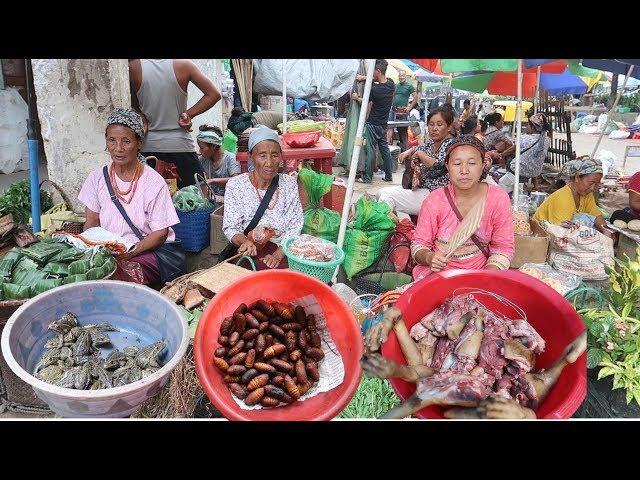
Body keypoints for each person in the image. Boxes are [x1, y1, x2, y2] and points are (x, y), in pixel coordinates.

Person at [78, 109, 182, 286]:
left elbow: (160, 233)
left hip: (146, 251)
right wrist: (94, 250)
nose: (118, 148)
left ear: (139, 143)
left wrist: (130, 252)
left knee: (120, 276)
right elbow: (92, 222)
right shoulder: (97, 178)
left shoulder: (153, 182)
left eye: (126, 141)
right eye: (112, 140)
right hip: (109, 251)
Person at [410, 135, 515, 281]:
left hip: (481, 277)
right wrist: (429, 257)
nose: (464, 170)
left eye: (472, 163)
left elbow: (503, 248)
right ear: (447, 166)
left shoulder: (498, 199)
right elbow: (419, 244)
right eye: (457, 164)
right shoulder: (435, 200)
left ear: (482, 164)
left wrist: (486, 277)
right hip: (436, 279)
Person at [128, 59, 221, 189]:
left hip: (149, 147)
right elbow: (214, 94)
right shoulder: (184, 65)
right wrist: (188, 114)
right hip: (181, 145)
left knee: (149, 203)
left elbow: (130, 98)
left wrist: (140, 114)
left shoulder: (133, 67)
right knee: (194, 201)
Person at [222, 127, 304, 270]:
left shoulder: (289, 184)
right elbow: (231, 227)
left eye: (274, 155)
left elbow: (295, 225)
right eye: (262, 155)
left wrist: (278, 255)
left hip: (282, 249)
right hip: (250, 249)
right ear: (251, 157)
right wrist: (245, 242)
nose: (269, 163)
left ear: (281, 156)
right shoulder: (236, 185)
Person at [377, 106, 455, 216]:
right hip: (424, 190)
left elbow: (439, 166)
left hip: (438, 195)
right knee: (380, 192)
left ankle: (382, 226)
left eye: (439, 124)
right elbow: (419, 148)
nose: (434, 128)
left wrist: (420, 155)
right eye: (431, 124)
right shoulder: (431, 144)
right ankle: (392, 225)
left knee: (387, 195)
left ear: (448, 127)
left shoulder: (451, 145)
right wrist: (409, 151)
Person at [533, 157, 614, 239]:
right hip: (541, 238)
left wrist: (605, 230)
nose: (593, 188)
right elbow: (561, 233)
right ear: (577, 178)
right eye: (591, 183)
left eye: (596, 184)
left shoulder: (587, 194)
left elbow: (596, 215)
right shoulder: (562, 197)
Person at [351, 59, 396, 183]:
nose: (372, 73)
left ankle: (367, 178)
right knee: (384, 150)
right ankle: (389, 176)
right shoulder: (391, 85)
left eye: (373, 71)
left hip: (372, 124)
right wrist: (364, 77)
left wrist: (356, 98)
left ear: (377, 71)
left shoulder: (375, 90)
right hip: (383, 124)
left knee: (370, 150)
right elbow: (377, 79)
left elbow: (365, 102)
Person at [502, 112, 551, 190]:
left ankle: (509, 178)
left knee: (509, 156)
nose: (526, 127)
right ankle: (532, 184)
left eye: (528, 125)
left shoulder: (524, 138)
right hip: (535, 172)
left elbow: (509, 151)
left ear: (533, 127)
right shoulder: (547, 140)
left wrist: (502, 155)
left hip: (518, 170)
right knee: (531, 157)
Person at [196, 124, 241, 200]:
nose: (199, 151)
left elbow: (236, 181)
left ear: (213, 146)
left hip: (229, 201)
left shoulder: (230, 159)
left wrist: (212, 181)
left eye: (202, 148)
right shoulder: (203, 160)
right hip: (212, 201)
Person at [387, 69, 416, 152]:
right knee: (389, 128)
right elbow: (392, 96)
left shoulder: (409, 86)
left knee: (402, 131)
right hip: (394, 110)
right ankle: (389, 150)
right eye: (400, 75)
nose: (401, 77)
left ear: (405, 76)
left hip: (403, 111)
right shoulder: (396, 86)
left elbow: (415, 96)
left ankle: (404, 151)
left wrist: (409, 107)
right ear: (398, 77)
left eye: (403, 75)